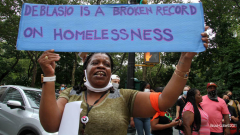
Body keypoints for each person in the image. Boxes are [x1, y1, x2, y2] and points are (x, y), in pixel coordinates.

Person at [37, 26, 209, 135]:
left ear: (111, 72)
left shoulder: (125, 97)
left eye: (106, 64)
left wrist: (185, 59)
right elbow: (51, 126)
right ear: (85, 70)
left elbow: (165, 101)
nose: (101, 66)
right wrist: (49, 76)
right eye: (95, 63)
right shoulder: (70, 94)